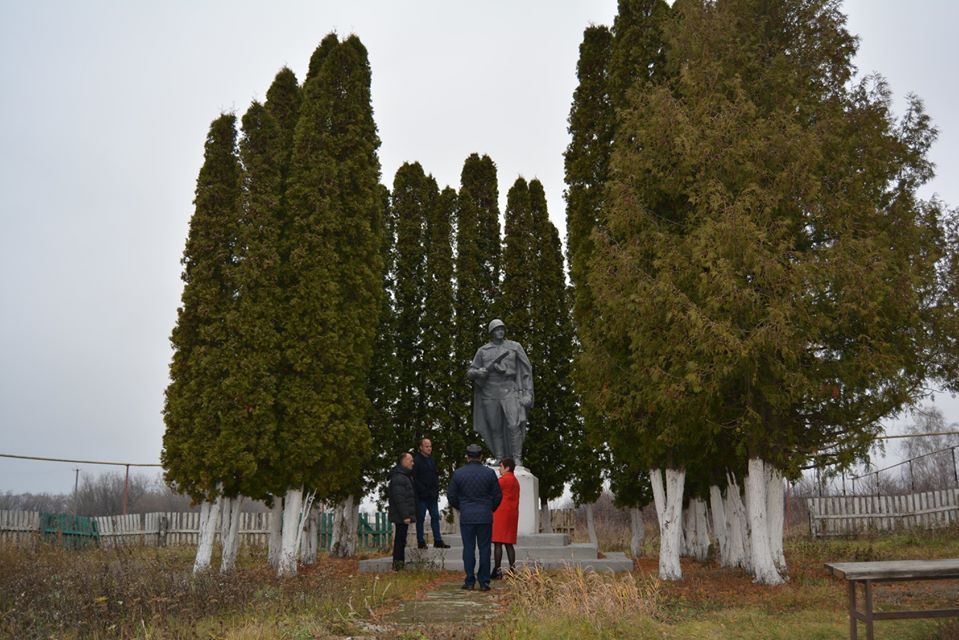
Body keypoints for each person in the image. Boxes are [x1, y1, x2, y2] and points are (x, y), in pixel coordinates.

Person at [467, 319, 534, 467]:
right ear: (491, 332)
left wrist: (527, 393)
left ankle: (517, 458)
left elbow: (526, 371)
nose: (500, 331)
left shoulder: (515, 347)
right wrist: (479, 372)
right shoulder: (483, 351)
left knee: (513, 425)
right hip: (490, 392)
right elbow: (470, 372)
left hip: (510, 389)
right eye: (497, 329)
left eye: (502, 329)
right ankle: (500, 458)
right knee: (495, 428)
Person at [448, 443, 502, 591]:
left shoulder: (458, 473)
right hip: (485, 516)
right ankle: (484, 582)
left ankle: (469, 580)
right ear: (481, 457)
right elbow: (498, 495)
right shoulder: (489, 473)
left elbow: (451, 496)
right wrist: (490, 508)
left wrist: (462, 507)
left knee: (468, 548)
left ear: (467, 457)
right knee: (485, 549)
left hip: (467, 516)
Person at [412, 438, 450, 549]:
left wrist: (436, 491)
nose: (429, 448)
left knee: (435, 517)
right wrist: (422, 491)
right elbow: (415, 478)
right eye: (426, 446)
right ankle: (421, 541)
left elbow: (435, 477)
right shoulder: (417, 460)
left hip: (432, 496)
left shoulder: (432, 460)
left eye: (430, 446)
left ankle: (437, 540)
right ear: (421, 447)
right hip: (422, 496)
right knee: (421, 518)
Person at [491, 457, 520, 579]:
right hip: (512, 514)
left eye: (501, 466)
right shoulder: (515, 481)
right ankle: (512, 570)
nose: (499, 469)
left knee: (498, 543)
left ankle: (497, 570)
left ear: (507, 468)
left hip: (500, 513)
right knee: (509, 543)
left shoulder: (502, 480)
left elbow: (492, 492)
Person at [387, 452, 416, 571]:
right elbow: (400, 499)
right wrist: (405, 515)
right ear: (403, 462)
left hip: (402, 515)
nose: (412, 463)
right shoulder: (399, 478)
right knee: (399, 541)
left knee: (401, 540)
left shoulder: (404, 476)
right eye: (411, 461)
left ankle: (399, 565)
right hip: (401, 516)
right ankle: (398, 566)